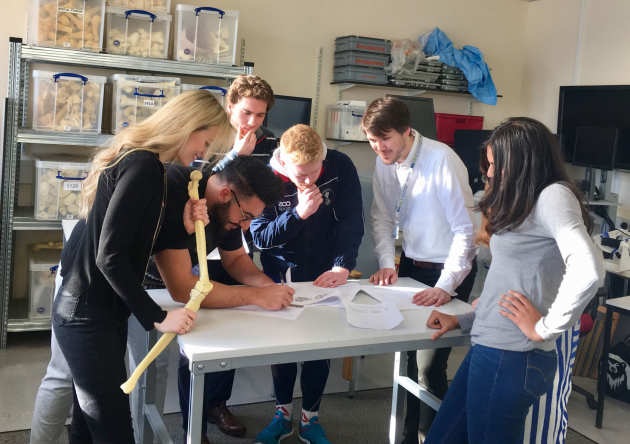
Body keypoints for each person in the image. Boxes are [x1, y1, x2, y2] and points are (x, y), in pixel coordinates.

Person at [50, 89, 232, 443]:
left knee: (88, 428)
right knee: (114, 430)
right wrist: (158, 317)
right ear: (190, 126)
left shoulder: (151, 167)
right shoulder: (143, 166)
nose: (203, 153)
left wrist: (181, 225)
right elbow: (110, 256)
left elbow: (133, 238)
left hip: (100, 313)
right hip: (87, 315)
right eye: (206, 142)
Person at [424, 117, 604, 444]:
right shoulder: (527, 202)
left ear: (524, 162)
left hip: (511, 356)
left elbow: (589, 270)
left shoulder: (553, 196)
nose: (491, 173)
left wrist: (544, 328)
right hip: (491, 348)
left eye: (497, 164)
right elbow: (514, 284)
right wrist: (466, 319)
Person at [144, 157, 294, 443]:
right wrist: (257, 296)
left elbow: (236, 259)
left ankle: (201, 421)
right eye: (246, 216)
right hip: (145, 288)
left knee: (207, 348)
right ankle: (173, 431)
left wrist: (270, 287)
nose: (246, 226)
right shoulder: (181, 192)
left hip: (181, 286)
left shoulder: (228, 208)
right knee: (151, 378)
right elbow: (182, 288)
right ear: (227, 193)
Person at [362, 97, 477, 443]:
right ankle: (407, 437)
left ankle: (438, 437)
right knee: (407, 361)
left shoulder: (442, 159)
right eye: (372, 140)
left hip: (449, 269)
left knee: (429, 366)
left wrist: (446, 285)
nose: (379, 148)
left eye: (385, 139)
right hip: (412, 265)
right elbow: (382, 217)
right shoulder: (384, 161)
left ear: (407, 131)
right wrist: (387, 263)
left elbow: (465, 231)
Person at [249, 124, 364, 444]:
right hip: (281, 273)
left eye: (315, 172)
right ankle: (282, 415)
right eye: (301, 175)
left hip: (325, 272)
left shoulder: (340, 165)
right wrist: (298, 214)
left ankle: (310, 418)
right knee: (282, 348)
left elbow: (352, 221)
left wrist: (343, 264)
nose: (309, 181)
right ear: (284, 163)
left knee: (319, 348)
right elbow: (260, 238)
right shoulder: (264, 176)